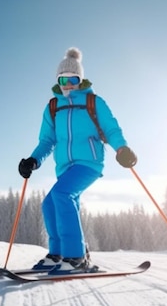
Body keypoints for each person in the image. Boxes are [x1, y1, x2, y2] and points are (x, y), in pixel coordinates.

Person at [18, 47, 137, 273]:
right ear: (58, 80)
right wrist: (33, 160)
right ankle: (58, 254)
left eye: (73, 79)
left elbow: (111, 129)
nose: (68, 84)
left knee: (62, 194)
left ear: (80, 79)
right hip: (64, 168)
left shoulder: (94, 101)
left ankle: (76, 258)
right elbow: (47, 141)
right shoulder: (53, 107)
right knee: (49, 202)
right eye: (64, 79)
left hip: (89, 162)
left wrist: (122, 149)